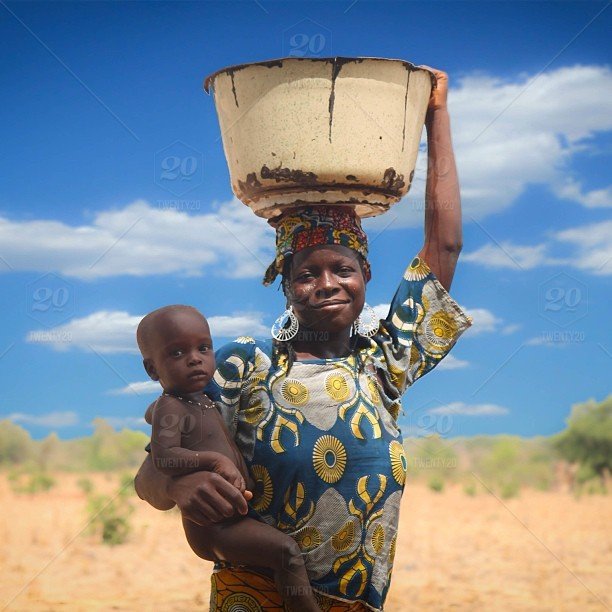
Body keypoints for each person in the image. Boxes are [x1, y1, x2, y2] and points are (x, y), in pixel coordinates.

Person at [135, 67, 472, 611]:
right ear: (286, 288)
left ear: (365, 276)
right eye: (306, 275)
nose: (326, 285)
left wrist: (436, 114)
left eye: (342, 269)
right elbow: (149, 474)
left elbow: (446, 246)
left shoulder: (385, 363)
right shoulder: (245, 365)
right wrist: (174, 487)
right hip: (258, 596)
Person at [136, 305, 322, 612]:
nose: (195, 358)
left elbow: (153, 413)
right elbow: (165, 458)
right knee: (285, 552)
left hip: (235, 517)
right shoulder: (173, 406)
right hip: (214, 526)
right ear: (153, 370)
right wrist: (215, 462)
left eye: (203, 348)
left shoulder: (200, 398)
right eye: (177, 353)